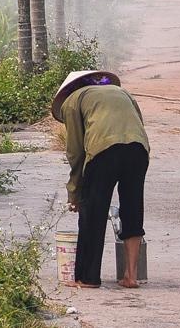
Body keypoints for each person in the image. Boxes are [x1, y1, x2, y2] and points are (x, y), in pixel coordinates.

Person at [54, 68, 149, 289]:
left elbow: (75, 151)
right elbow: (138, 125)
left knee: (93, 213)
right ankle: (131, 276)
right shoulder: (122, 93)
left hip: (104, 151)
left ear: (69, 89)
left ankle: (87, 278)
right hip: (138, 150)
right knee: (132, 210)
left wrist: (75, 193)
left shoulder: (73, 100)